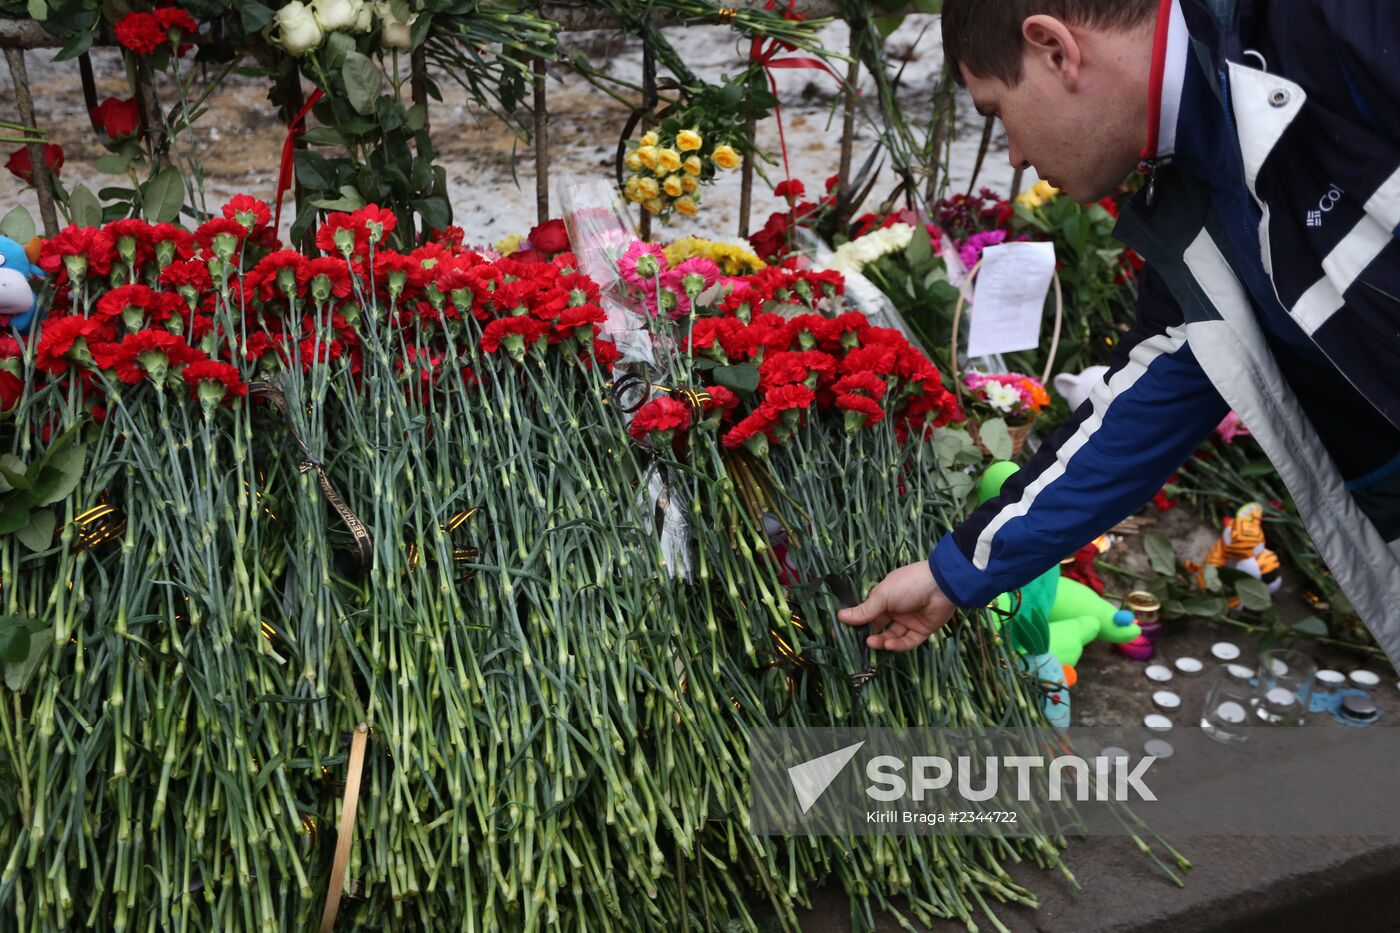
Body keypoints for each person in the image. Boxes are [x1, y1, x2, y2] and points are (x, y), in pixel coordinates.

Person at [838, 0, 1400, 673]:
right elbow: (1144, 404)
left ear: (1053, 47)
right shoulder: (1191, 201)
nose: (1014, 155)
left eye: (996, 111)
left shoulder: (1330, 29)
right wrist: (955, 571)